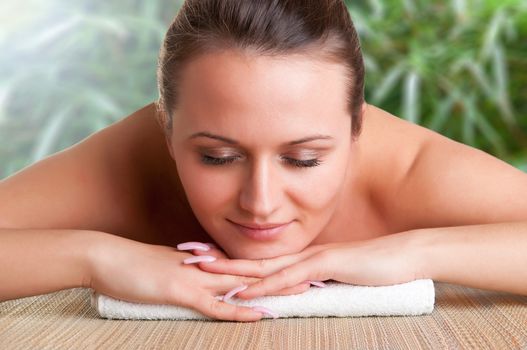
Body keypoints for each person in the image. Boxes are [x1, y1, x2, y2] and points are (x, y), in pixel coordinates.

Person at [0, 0, 526, 322]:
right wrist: (97, 260)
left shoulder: (413, 174)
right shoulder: (130, 163)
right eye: (217, 156)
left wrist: (413, 252)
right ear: (167, 130)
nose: (261, 203)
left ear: (357, 129)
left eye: (303, 159)